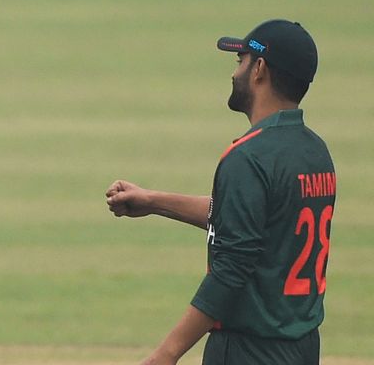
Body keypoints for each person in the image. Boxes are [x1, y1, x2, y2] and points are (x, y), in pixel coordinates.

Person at [106, 19, 335, 364]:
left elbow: (232, 268)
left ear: (259, 69)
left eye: (240, 61)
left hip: (248, 350)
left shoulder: (249, 156)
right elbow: (255, 221)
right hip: (301, 348)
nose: (234, 72)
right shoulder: (315, 152)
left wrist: (166, 354)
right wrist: (153, 202)